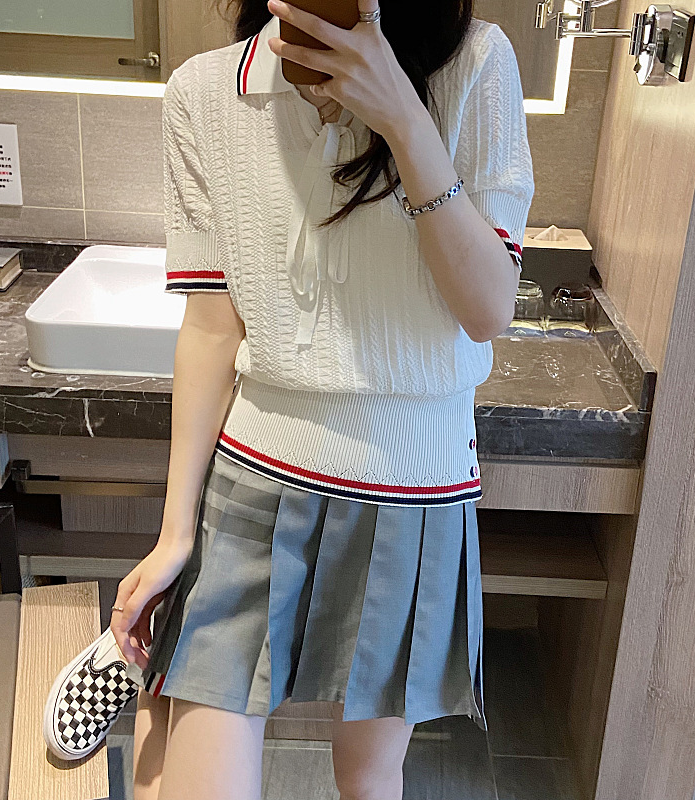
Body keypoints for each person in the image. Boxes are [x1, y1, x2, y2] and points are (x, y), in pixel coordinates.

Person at [114, 1, 533, 798]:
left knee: (368, 781)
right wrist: (174, 535)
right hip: (252, 477)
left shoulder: (475, 66)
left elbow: (487, 309)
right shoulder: (206, 91)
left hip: (414, 492)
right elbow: (210, 329)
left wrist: (404, 120)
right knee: (181, 767)